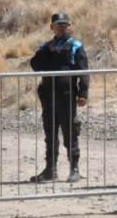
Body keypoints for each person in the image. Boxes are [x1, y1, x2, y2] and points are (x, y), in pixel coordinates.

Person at [29, 12, 89, 184]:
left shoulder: (76, 45)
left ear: (69, 26)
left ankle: (74, 169)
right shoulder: (46, 47)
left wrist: (83, 94)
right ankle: (50, 170)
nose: (62, 27)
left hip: (67, 94)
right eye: (58, 24)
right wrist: (46, 51)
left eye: (65, 24)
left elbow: (84, 72)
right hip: (48, 95)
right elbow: (35, 66)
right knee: (50, 132)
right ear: (52, 27)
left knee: (70, 131)